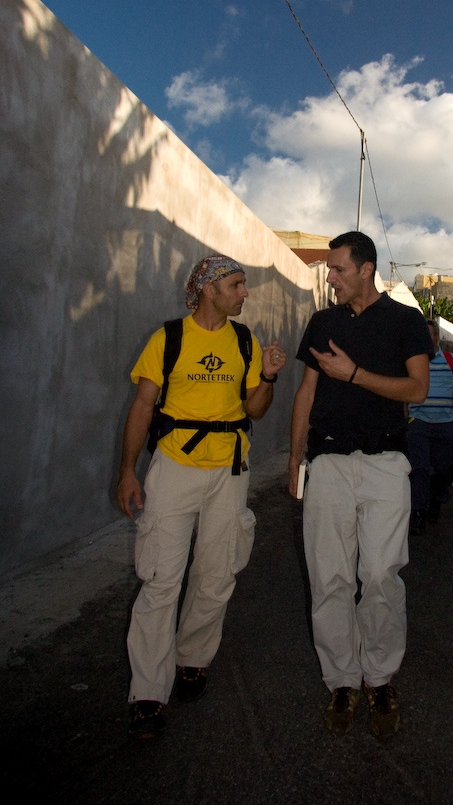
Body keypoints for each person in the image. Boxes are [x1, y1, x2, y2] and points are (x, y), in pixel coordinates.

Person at [117, 254, 287, 738]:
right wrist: (128, 471)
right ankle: (148, 693)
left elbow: (255, 408)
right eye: (237, 285)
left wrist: (268, 376)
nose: (245, 293)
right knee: (160, 578)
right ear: (209, 289)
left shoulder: (245, 341)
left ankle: (193, 658)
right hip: (174, 469)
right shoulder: (168, 338)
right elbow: (143, 405)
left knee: (217, 571)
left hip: (230, 470)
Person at [288, 232, 431, 739]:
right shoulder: (322, 322)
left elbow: (418, 388)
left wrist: (354, 375)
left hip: (386, 463)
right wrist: (295, 460)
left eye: (338, 269)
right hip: (327, 462)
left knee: (380, 573)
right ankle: (342, 680)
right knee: (329, 576)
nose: (330, 277)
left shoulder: (405, 320)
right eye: (330, 270)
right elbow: (306, 393)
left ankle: (380, 676)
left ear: (366, 269)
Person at [407, 320, 453, 534]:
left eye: (431, 334)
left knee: (443, 469)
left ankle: (436, 500)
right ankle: (418, 512)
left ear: (437, 337)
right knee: (419, 468)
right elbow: (404, 390)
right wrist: (407, 419)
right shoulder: (413, 361)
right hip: (419, 423)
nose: (427, 338)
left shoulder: (452, 361)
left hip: (445, 424)